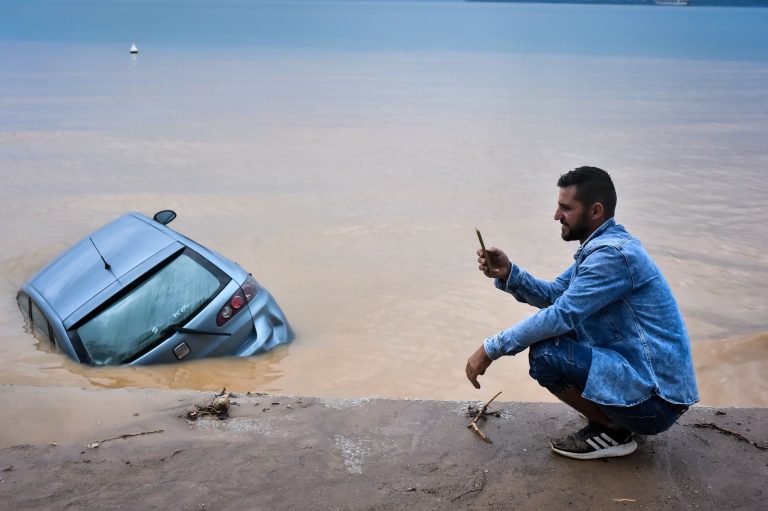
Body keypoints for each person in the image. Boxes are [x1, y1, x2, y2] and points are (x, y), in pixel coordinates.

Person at [465, 166, 698, 460]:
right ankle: (617, 418)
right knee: (559, 335)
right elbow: (555, 295)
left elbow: (560, 314)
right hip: (651, 390)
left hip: (656, 404)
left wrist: (490, 349)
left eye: (566, 207)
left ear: (595, 210)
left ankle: (614, 430)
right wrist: (510, 273)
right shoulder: (603, 248)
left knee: (546, 353)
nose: (556, 215)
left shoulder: (612, 256)